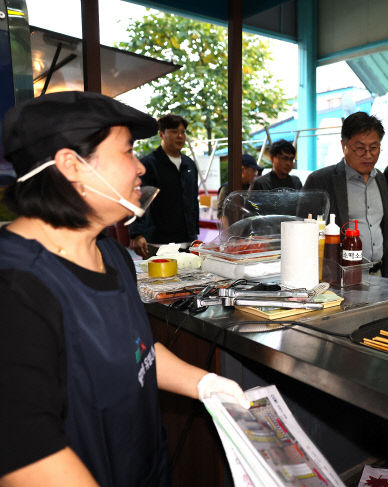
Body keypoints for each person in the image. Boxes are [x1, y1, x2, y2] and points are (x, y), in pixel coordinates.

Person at [0, 91, 249, 486]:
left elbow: (137, 352)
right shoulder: (16, 290)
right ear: (72, 165)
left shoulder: (111, 256)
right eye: (128, 151)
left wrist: (204, 384)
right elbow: (30, 459)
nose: (140, 168)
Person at [303, 112, 388, 278]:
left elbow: (384, 227)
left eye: (374, 148)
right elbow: (304, 235)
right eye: (360, 148)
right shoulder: (320, 181)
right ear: (344, 145)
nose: (368, 155)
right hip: (338, 278)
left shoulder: (380, 179)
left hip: (379, 275)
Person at [129, 114, 199, 258]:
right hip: (157, 243)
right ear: (162, 134)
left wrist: (194, 235)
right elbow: (138, 200)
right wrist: (137, 234)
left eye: (183, 132)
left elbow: (193, 201)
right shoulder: (148, 164)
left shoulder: (189, 164)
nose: (180, 136)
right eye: (174, 132)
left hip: (187, 242)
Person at [217, 152, 263, 221]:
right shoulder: (227, 188)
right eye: (253, 170)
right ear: (242, 169)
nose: (255, 174)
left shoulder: (255, 186)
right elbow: (221, 214)